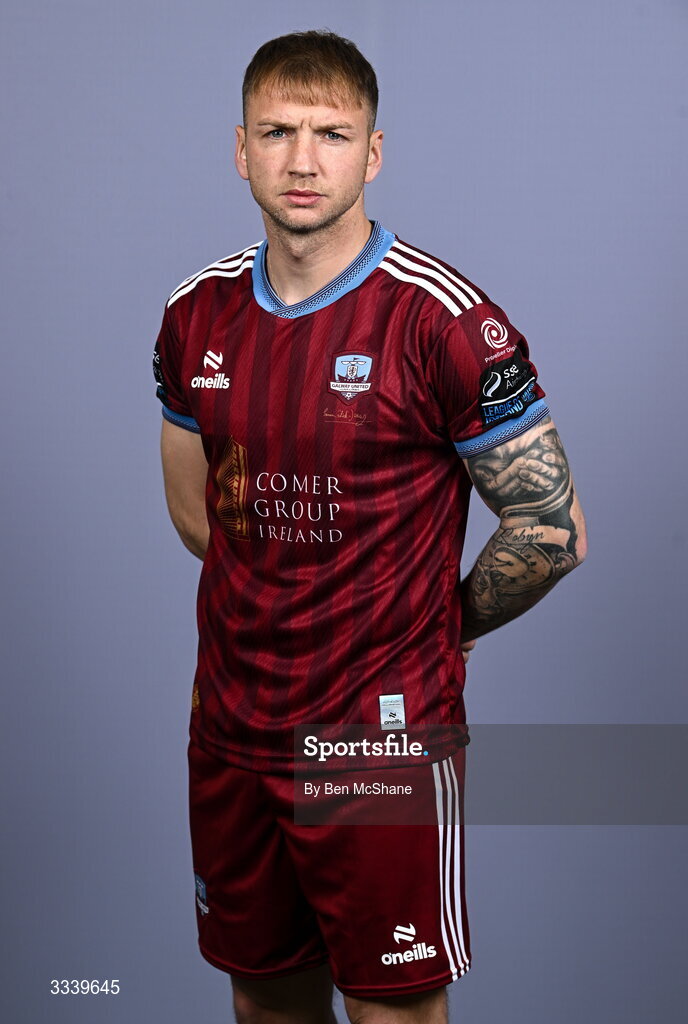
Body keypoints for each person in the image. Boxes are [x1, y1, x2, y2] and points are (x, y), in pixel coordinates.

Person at [153, 29, 587, 1024]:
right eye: (278, 131)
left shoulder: (442, 321)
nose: (303, 160)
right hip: (230, 732)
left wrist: (437, 626)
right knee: (265, 1001)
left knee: (392, 1010)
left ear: (372, 154)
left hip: (375, 743)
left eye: (331, 133)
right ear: (241, 148)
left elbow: (551, 529)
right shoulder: (196, 314)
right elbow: (198, 511)